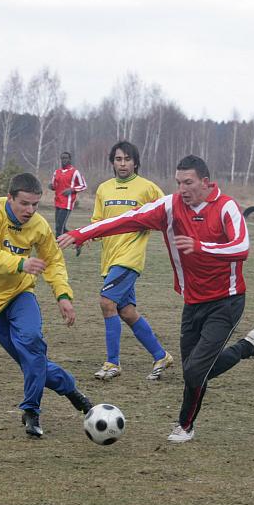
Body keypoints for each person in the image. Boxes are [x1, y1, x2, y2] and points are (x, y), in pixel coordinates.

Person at [59, 154, 254, 443]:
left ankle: (185, 426)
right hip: (193, 302)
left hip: (228, 299)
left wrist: (200, 247)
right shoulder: (170, 206)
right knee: (193, 370)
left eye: (189, 182)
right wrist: (82, 234)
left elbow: (241, 247)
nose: (182, 189)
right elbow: (127, 220)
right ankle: (249, 346)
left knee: (196, 370)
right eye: (178, 182)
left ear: (206, 182)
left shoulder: (227, 207)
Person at [0, 172, 93, 438]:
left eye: (35, 204)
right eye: (24, 203)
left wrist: (63, 296)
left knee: (33, 343)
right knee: (31, 361)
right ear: (10, 197)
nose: (30, 210)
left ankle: (31, 411)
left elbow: (54, 261)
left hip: (20, 294)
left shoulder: (39, 225)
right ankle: (71, 390)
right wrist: (22, 263)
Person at [88, 140, 173, 382]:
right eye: (118, 159)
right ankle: (161, 355)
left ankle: (112, 363)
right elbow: (98, 223)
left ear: (136, 162)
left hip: (130, 259)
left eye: (127, 159)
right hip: (110, 259)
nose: (122, 163)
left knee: (106, 303)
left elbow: (169, 211)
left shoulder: (147, 188)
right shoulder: (104, 189)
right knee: (126, 311)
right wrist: (88, 236)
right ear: (112, 162)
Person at [50, 151, 87, 238]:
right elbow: (54, 186)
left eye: (66, 158)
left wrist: (72, 190)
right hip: (58, 202)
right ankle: (77, 239)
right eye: (62, 158)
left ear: (70, 159)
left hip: (67, 203)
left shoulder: (75, 172)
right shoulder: (57, 172)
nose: (64, 160)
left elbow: (84, 185)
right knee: (60, 227)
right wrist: (51, 186)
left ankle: (57, 247)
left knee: (59, 228)